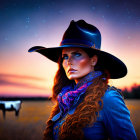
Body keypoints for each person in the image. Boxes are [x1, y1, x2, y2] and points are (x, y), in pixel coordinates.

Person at [28, 20, 137, 140]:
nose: (69, 62)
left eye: (77, 54)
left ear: (93, 60)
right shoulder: (66, 99)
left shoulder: (109, 98)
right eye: (65, 56)